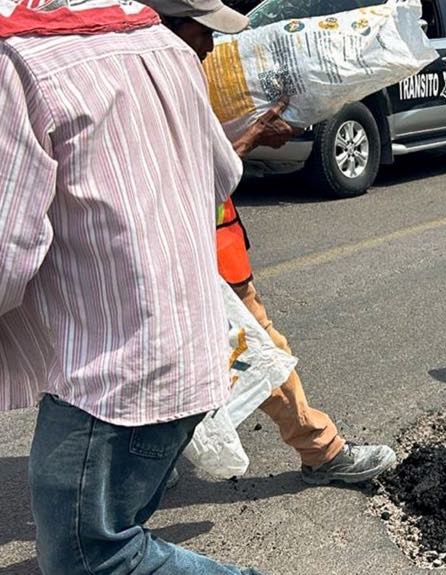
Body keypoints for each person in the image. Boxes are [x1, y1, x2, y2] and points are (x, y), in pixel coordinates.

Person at [0, 1, 265, 573]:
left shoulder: (18, 60)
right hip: (188, 348)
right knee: (116, 532)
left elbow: (6, 250)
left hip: (109, 375)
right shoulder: (161, 41)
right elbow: (224, 175)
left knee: (91, 558)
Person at [161, 14, 397, 485]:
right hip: (199, 252)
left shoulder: (170, 76)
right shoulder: (159, 84)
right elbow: (191, 175)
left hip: (207, 245)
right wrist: (252, 138)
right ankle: (322, 452)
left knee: (191, 359)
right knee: (259, 350)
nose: (212, 41)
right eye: (201, 29)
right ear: (167, 25)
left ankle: (142, 468)